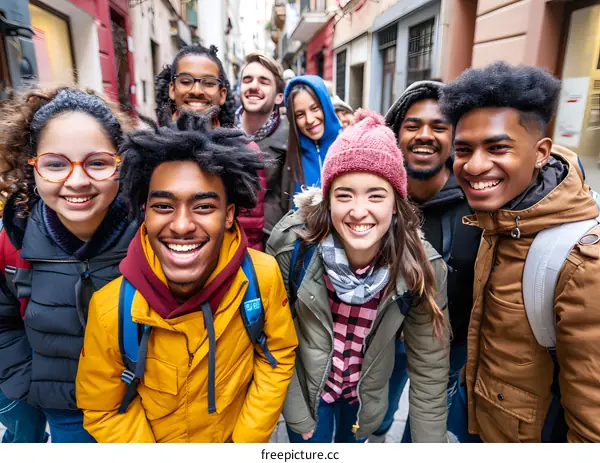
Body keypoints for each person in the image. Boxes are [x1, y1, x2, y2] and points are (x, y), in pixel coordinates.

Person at [76, 111, 298, 443]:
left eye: (204, 207)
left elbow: (277, 356)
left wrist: (244, 443)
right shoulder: (110, 308)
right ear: (144, 214)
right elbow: (102, 409)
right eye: (164, 206)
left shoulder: (262, 278)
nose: (181, 225)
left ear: (229, 215)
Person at [266, 109, 450, 443]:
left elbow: (429, 371)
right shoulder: (292, 247)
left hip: (364, 398)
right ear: (328, 199)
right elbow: (273, 339)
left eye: (376, 195)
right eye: (344, 194)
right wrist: (295, 412)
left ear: (396, 202)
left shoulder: (420, 265)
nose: (359, 210)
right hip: (308, 397)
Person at [440, 61, 600, 443]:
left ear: (541, 151)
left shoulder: (582, 264)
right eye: (463, 150)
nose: (475, 165)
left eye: (497, 147)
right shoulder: (499, 217)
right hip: (478, 419)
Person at [0, 88, 138, 443]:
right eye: (56, 164)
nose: (77, 181)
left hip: (144, 409)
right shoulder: (12, 239)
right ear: (33, 167)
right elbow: (3, 321)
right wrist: (25, 379)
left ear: (120, 162)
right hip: (66, 413)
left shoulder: (150, 231)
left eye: (97, 162)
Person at [368, 81, 482, 443]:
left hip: (452, 341)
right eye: (413, 125)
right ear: (397, 133)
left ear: (453, 137)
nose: (425, 136)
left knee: (425, 427)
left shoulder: (479, 196)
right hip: (388, 338)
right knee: (379, 410)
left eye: (439, 126)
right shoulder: (377, 195)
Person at [154, 45, 266, 250]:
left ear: (222, 94)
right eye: (186, 81)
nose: (196, 91)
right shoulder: (150, 150)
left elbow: (251, 229)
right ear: (172, 89)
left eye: (208, 83)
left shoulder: (246, 152)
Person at [236, 53, 289, 245]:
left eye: (264, 81)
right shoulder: (219, 131)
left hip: (268, 242)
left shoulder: (291, 140)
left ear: (278, 97)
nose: (253, 86)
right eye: (247, 80)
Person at [284, 75, 342, 209]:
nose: (309, 119)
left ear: (326, 106)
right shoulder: (288, 155)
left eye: (315, 108)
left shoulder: (349, 147)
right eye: (300, 115)